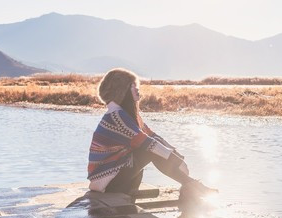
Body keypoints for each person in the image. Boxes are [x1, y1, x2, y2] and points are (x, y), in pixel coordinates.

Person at [87, 68, 216, 199]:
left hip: (115, 179)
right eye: (133, 86)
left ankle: (189, 184)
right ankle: (192, 185)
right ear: (122, 91)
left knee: (151, 148)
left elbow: (153, 136)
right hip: (105, 183)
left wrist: (176, 156)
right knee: (148, 150)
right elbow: (148, 143)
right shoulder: (116, 117)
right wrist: (174, 160)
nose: (137, 89)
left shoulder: (127, 116)